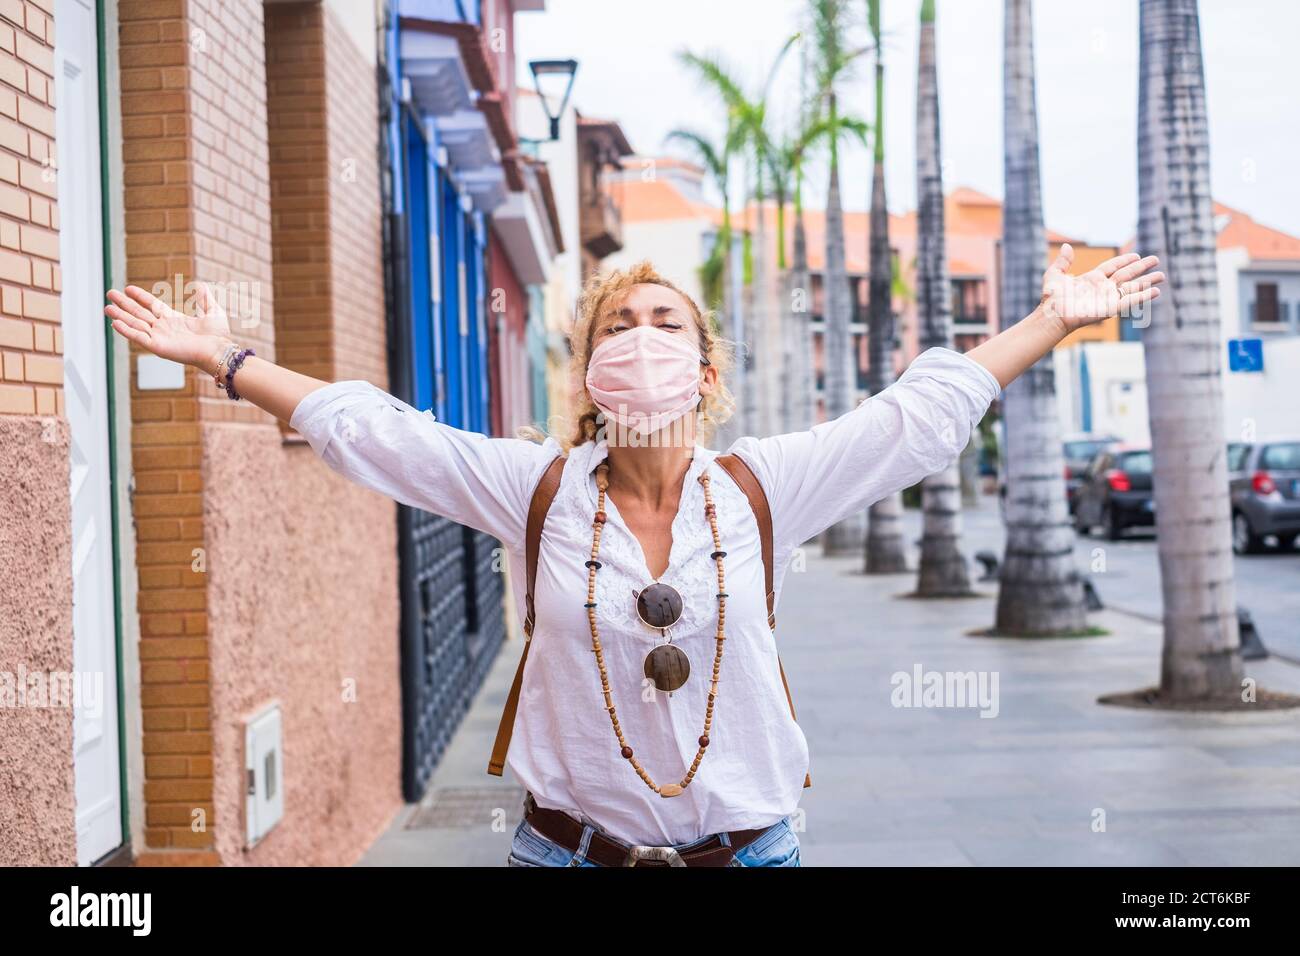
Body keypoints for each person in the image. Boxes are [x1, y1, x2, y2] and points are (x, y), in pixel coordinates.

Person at [105, 247, 1162, 867]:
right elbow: (375, 430)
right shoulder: (538, 488)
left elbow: (915, 416)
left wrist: (1046, 321)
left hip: (751, 852)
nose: (643, 335)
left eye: (666, 323)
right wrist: (224, 360)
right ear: (589, 367)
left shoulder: (762, 485)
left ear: (704, 372)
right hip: (564, 854)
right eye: (621, 323)